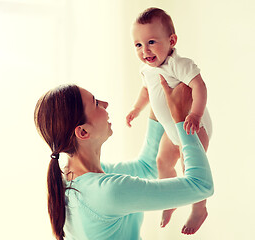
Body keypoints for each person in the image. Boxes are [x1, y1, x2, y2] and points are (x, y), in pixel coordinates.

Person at [34, 78, 213, 240]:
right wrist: (180, 118)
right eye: (96, 103)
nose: (105, 104)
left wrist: (158, 98)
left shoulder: (74, 179)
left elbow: (147, 167)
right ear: (83, 132)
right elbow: (201, 186)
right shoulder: (109, 191)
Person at [126, 7, 213, 235]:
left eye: (151, 42)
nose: (145, 50)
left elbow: (199, 86)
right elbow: (146, 91)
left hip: (193, 126)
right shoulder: (146, 68)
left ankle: (199, 208)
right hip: (171, 129)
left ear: (171, 40)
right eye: (138, 45)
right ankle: (170, 200)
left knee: (190, 166)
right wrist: (136, 109)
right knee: (161, 162)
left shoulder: (178, 64)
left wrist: (194, 114)